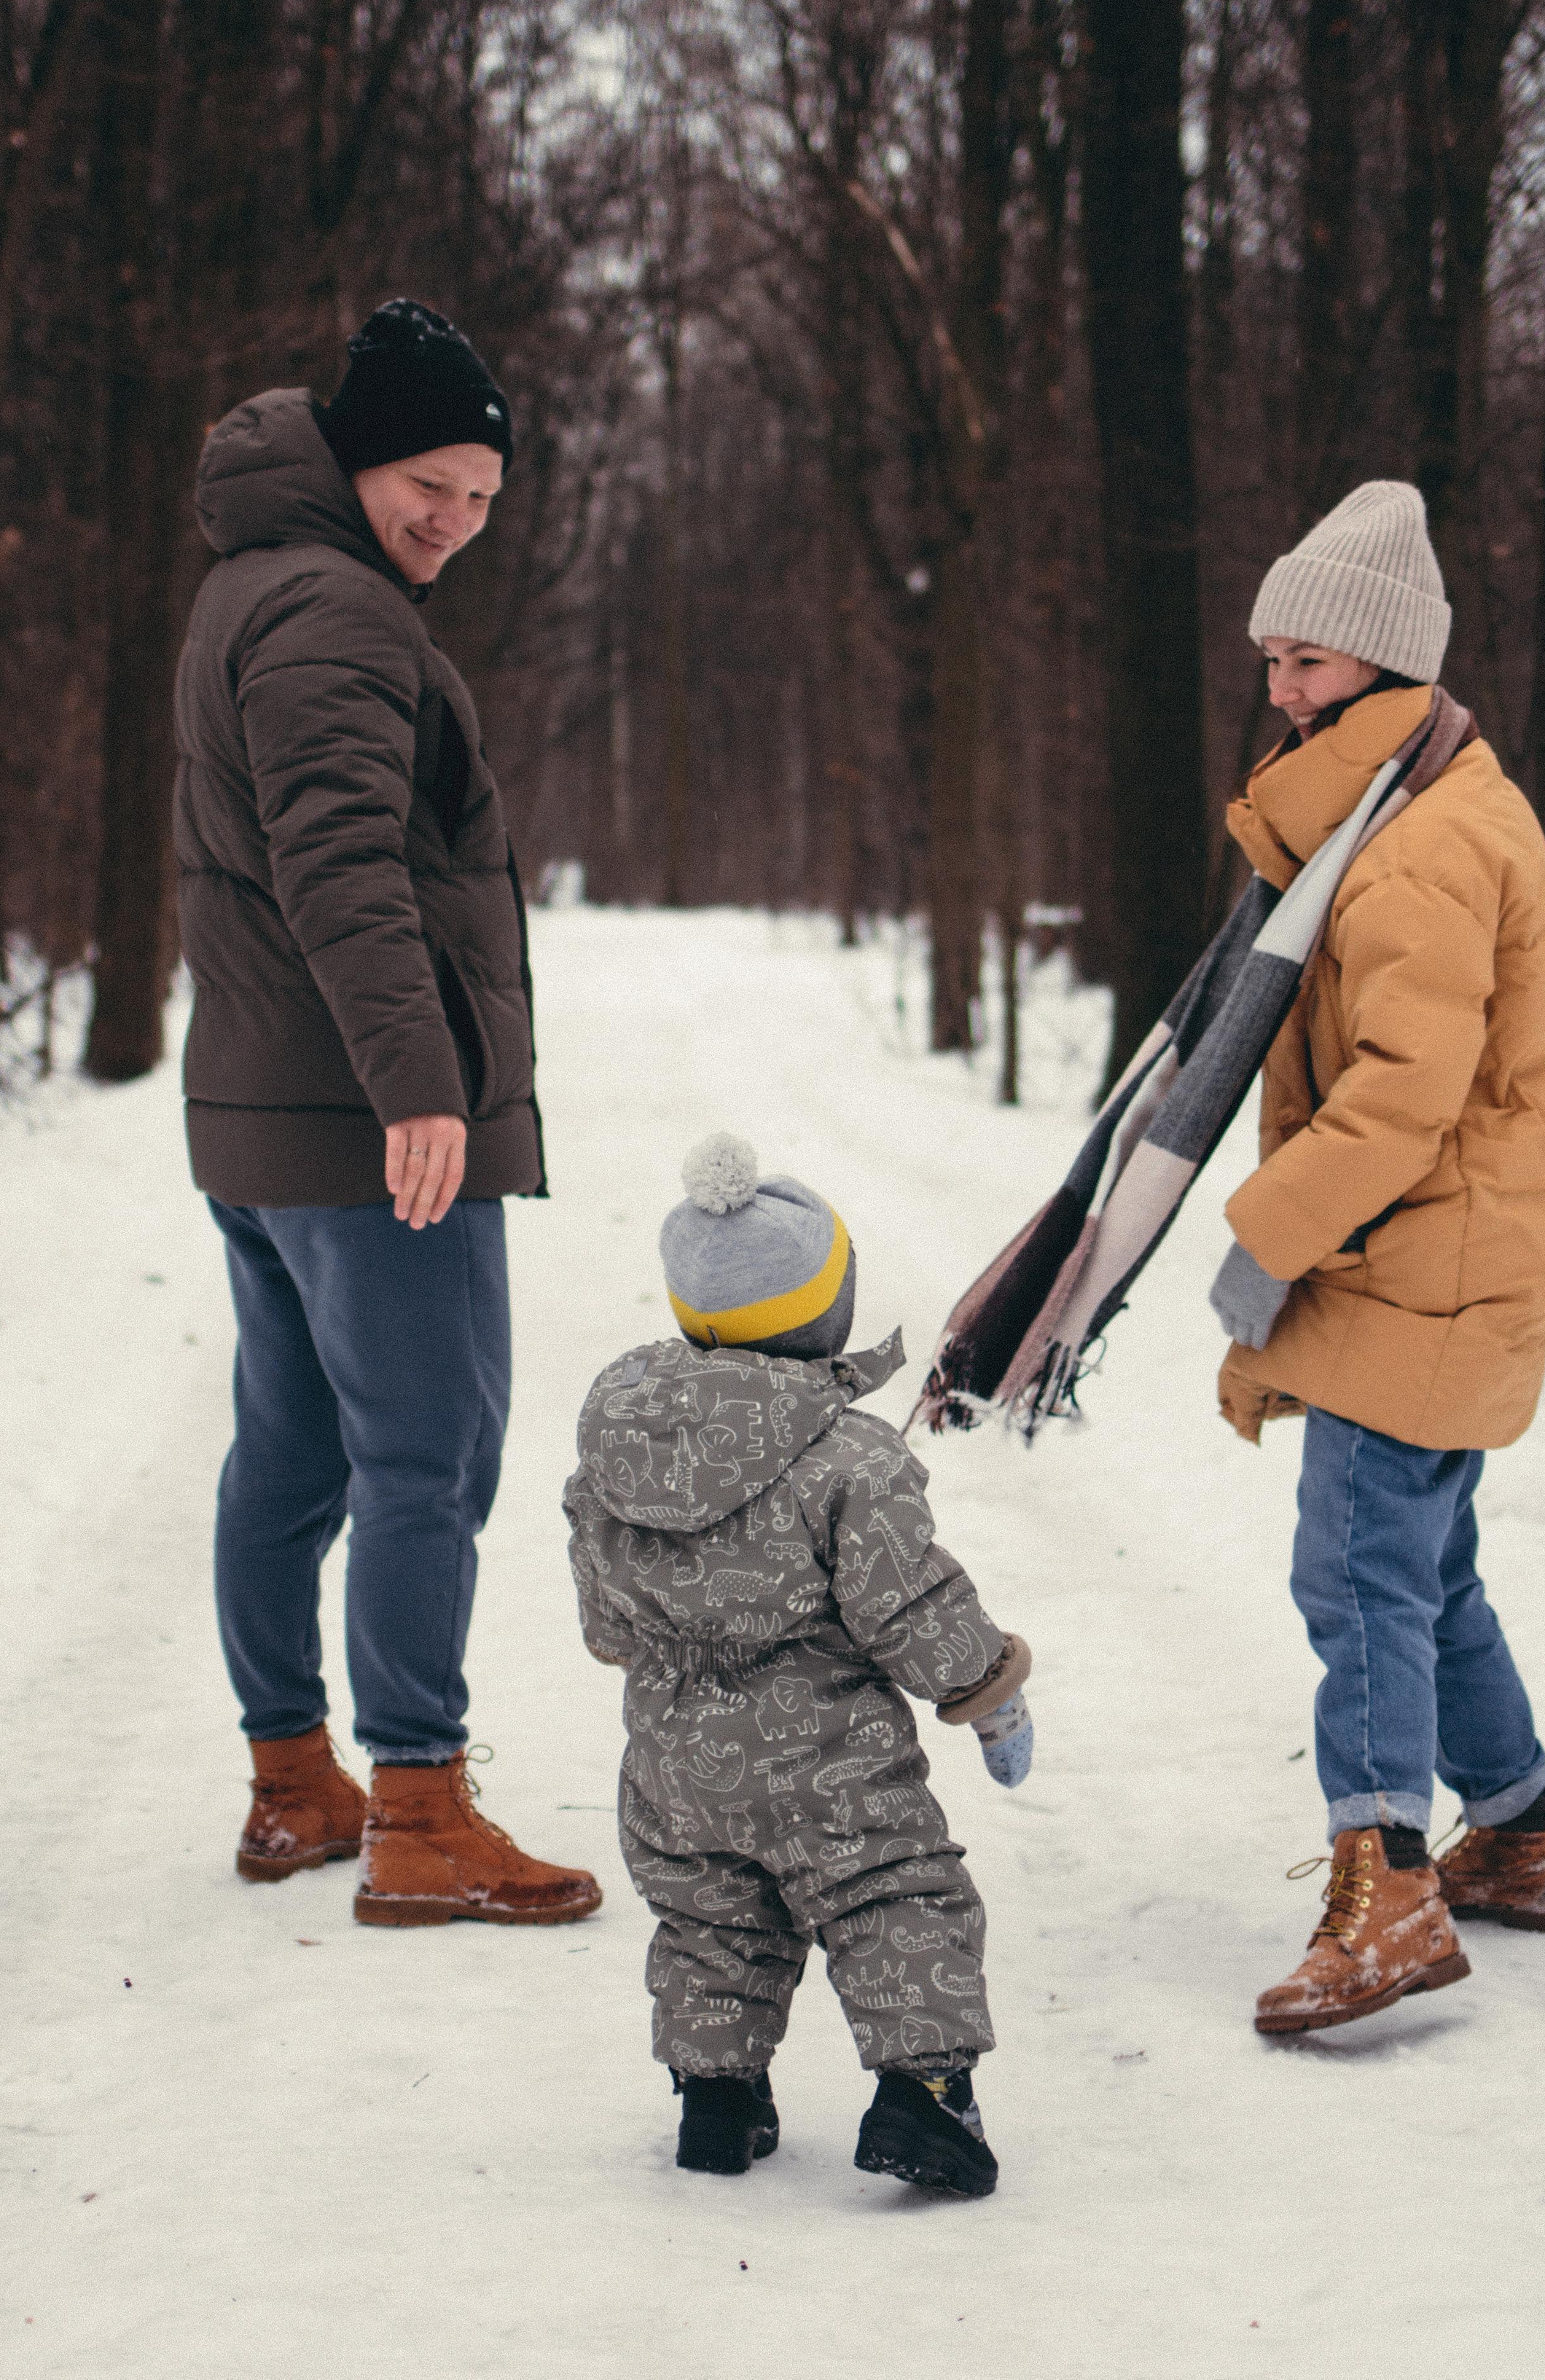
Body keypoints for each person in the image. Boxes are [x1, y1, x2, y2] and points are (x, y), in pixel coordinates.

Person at [174, 298, 598, 1930]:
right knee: (427, 1454)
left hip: (267, 1108)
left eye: (482, 499)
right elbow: (339, 863)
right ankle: (420, 1808)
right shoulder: (337, 616)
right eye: (431, 481)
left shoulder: (251, 586)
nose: (454, 522)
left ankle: (296, 1787)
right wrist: (420, 1083)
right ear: (354, 458)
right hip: (362, 1118)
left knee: (289, 1454)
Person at [1208, 481, 1545, 2036]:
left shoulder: (1420, 847)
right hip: (1445, 1251)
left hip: (1414, 1254)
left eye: (1304, 662)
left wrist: (1260, 1242)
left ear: (1379, 665)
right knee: (1423, 1566)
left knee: (1357, 1567)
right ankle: (1513, 1824)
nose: (1280, 691)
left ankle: (1387, 1882)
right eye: (1273, 662)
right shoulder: (1408, 808)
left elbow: (1398, 1099)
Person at [563, 1134, 1034, 2196]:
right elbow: (909, 1601)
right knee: (895, 1900)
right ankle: (925, 2100)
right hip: (832, 1761)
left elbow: (605, 1622)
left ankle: (718, 2101)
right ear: (825, 1316)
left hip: (675, 1763)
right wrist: (985, 1693)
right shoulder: (848, 1455)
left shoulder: (619, 1447)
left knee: (712, 1921)